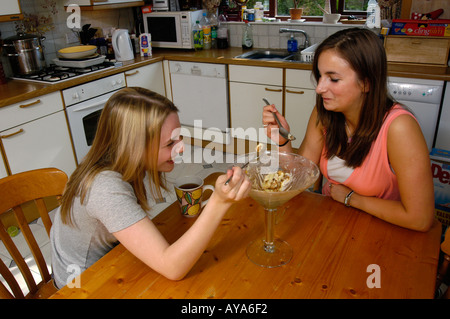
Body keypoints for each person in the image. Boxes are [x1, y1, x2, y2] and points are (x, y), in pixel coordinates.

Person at [50, 87, 251, 289]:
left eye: (179, 137)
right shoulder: (104, 188)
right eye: (169, 143)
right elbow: (172, 268)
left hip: (112, 259)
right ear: (134, 147)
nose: (181, 148)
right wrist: (218, 201)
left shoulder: (115, 159)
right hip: (80, 285)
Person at [262, 28, 434, 232]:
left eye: (333, 79)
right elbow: (299, 177)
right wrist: (282, 140)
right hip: (334, 219)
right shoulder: (324, 114)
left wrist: (350, 198)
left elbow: (420, 219)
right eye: (320, 75)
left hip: (382, 230)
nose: (319, 88)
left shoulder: (399, 128)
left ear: (366, 83)